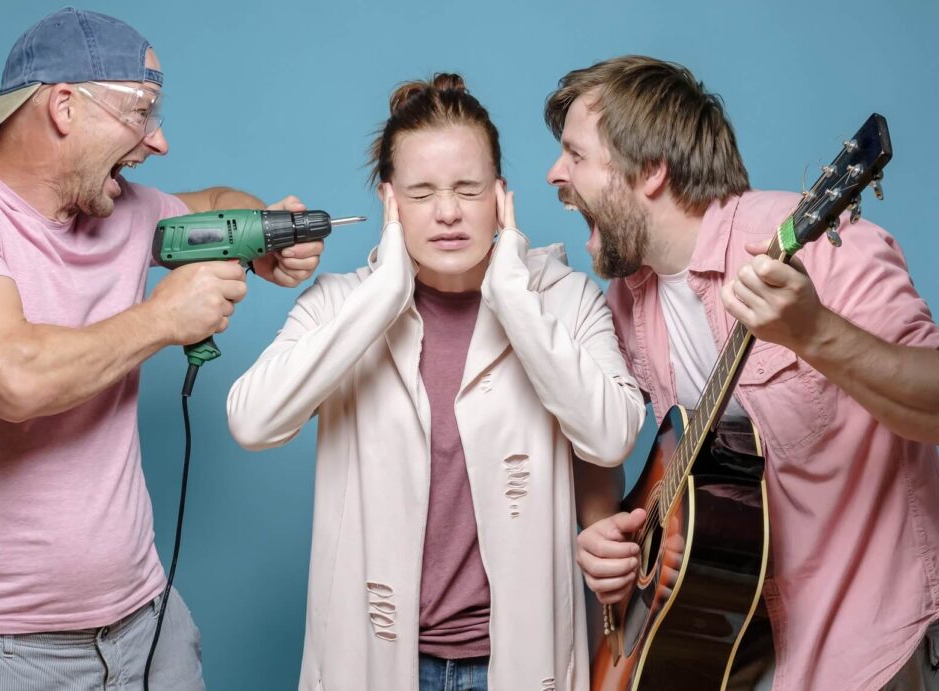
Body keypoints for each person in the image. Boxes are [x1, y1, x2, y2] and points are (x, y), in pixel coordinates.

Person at [0, 8, 322, 690]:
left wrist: (264, 235)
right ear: (65, 106)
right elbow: (10, 376)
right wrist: (164, 317)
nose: (158, 142)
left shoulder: (124, 208)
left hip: (148, 628)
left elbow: (217, 200)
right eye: (141, 112)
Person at [226, 73, 645, 690]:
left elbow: (610, 438)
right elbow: (253, 421)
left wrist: (513, 298)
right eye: (421, 193)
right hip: (379, 662)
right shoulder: (341, 306)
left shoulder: (565, 301)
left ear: (501, 196)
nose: (448, 213)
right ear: (388, 200)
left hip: (517, 660)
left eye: (467, 189)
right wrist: (384, 295)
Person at [545, 55, 939, 690]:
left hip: (872, 652)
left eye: (575, 155)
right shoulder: (626, 301)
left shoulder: (819, 244)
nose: (554, 174)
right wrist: (609, 537)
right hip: (732, 656)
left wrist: (817, 334)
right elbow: (671, 468)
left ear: (650, 171)